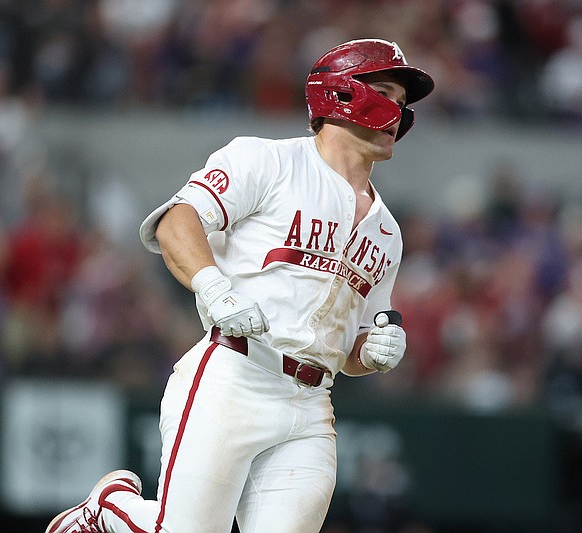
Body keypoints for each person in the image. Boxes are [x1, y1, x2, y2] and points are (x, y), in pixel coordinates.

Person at [46, 38, 434, 533]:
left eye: (402, 102)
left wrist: (372, 352)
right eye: (385, 93)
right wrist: (213, 286)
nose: (398, 113)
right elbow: (177, 221)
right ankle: (108, 509)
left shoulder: (388, 232)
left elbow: (350, 349)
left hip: (312, 405)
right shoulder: (266, 160)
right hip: (235, 376)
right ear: (339, 94)